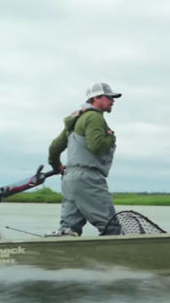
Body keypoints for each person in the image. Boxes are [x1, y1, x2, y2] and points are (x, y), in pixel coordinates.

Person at [47, 82, 122, 236]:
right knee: (111, 227)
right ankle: (116, 258)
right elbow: (96, 146)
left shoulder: (75, 122)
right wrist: (111, 138)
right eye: (109, 98)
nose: (113, 101)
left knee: (68, 230)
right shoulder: (94, 117)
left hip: (70, 180)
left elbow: (54, 147)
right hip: (88, 179)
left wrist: (57, 166)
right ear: (96, 98)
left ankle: (63, 256)